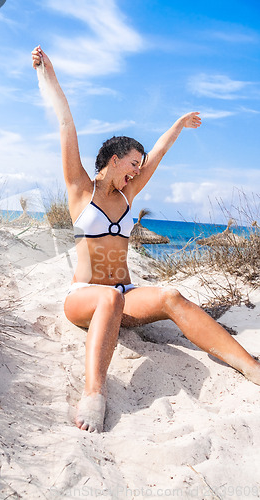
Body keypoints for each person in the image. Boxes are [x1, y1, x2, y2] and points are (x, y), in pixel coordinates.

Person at [32, 46, 260, 433]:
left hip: (125, 293)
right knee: (108, 297)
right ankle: (94, 393)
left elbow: (159, 152)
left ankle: (250, 366)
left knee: (169, 295)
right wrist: (46, 74)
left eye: (139, 166)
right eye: (132, 165)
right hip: (85, 296)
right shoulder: (79, 189)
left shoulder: (127, 197)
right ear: (114, 159)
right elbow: (66, 124)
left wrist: (178, 123)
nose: (137, 173)